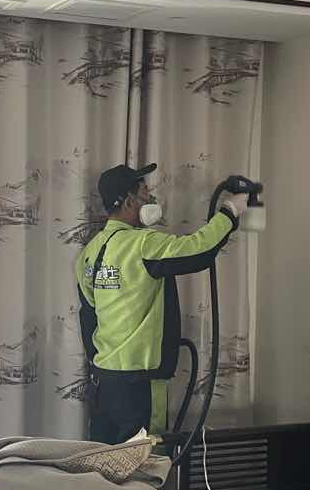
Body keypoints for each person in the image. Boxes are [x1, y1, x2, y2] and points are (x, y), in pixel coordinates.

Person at [76, 163, 249, 445]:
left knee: (103, 460)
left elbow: (88, 317)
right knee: (146, 462)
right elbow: (200, 249)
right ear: (129, 201)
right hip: (139, 386)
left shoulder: (90, 253)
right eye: (145, 194)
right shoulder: (142, 244)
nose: (152, 199)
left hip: (103, 383)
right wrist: (230, 212)